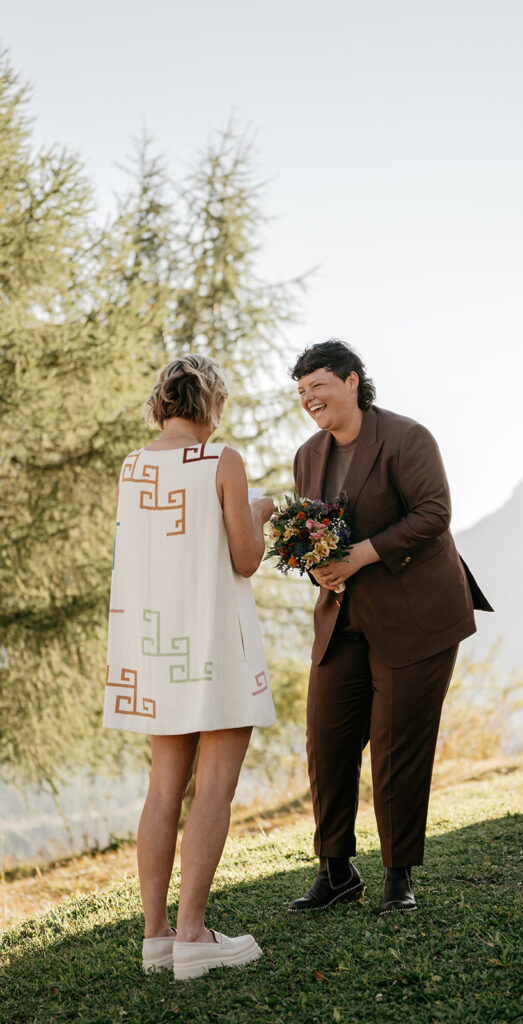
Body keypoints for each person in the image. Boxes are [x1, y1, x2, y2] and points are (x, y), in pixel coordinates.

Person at [288, 339, 491, 916]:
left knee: (398, 750)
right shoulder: (308, 455)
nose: (309, 398)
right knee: (326, 743)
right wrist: (318, 567)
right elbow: (314, 533)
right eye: (301, 391)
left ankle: (398, 880)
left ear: (352, 381)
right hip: (342, 620)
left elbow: (434, 514)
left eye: (318, 385)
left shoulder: (407, 438)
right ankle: (336, 871)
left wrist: (363, 554)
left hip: (416, 617)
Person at [104, 354, 276, 979]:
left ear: (162, 405)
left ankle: (157, 936)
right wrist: (260, 512)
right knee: (215, 788)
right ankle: (196, 936)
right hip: (211, 645)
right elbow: (246, 557)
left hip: (154, 646)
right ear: (210, 407)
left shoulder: (134, 465)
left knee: (163, 789)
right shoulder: (220, 460)